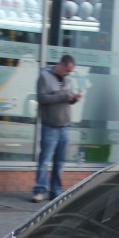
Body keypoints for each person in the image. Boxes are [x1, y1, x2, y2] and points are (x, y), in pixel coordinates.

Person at [33, 54, 82, 203]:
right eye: (67, 71)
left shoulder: (67, 79)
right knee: (45, 160)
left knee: (60, 161)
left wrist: (73, 99)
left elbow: (66, 99)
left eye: (71, 72)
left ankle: (56, 191)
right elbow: (41, 98)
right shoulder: (44, 76)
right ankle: (40, 190)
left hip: (65, 126)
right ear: (61, 65)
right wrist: (63, 96)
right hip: (50, 126)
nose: (69, 74)